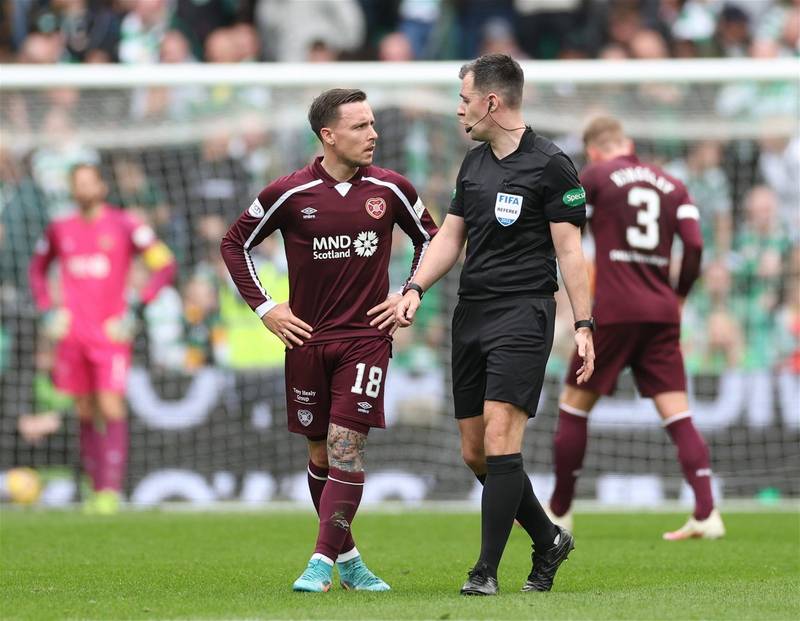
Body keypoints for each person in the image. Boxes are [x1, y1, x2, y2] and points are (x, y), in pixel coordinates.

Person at [220, 88, 438, 592]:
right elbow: (234, 242)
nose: (373, 134)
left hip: (366, 338)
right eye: (360, 126)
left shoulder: (393, 188)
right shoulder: (289, 194)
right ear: (328, 135)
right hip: (306, 340)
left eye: (373, 123)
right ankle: (353, 562)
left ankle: (320, 562)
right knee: (320, 454)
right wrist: (267, 307)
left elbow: (433, 238)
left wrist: (411, 292)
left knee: (345, 448)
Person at [395, 54, 595, 596]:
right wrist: (414, 287)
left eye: (464, 99)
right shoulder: (474, 162)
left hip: (524, 313)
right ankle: (549, 539)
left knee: (504, 438)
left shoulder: (552, 164)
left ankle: (484, 571)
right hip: (472, 313)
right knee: (476, 451)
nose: (458, 109)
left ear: (490, 101)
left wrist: (583, 322)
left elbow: (570, 252)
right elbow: (450, 238)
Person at [546, 116, 725, 541]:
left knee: (574, 406)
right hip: (662, 311)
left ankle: (559, 512)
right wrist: (680, 293)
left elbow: (567, 231)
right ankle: (706, 512)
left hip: (614, 309)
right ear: (628, 143)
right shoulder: (673, 183)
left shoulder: (596, 176)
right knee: (678, 414)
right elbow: (696, 245)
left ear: (593, 149)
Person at [29, 163, 176, 514]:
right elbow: (37, 269)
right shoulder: (59, 228)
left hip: (110, 333)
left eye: (87, 182)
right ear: (70, 189)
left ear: (102, 186)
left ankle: (110, 489)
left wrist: (136, 307)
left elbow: (165, 264)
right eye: (76, 183)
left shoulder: (126, 225)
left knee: (109, 406)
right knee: (84, 409)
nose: (82, 188)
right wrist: (48, 309)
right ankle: (94, 488)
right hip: (73, 333)